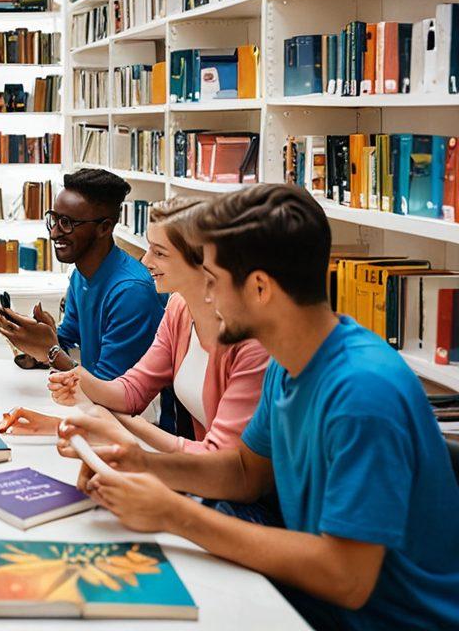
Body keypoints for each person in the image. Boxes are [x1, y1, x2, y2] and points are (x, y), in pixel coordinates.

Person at [57, 184, 459, 630]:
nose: (206, 296)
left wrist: (173, 514)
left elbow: (347, 578)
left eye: (213, 280)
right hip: (314, 602)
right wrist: (140, 464)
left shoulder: (363, 393)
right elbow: (245, 473)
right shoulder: (290, 363)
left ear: (260, 288)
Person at [3, 197, 269, 457]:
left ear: (203, 263)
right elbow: (133, 390)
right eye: (149, 248)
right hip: (198, 468)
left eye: (159, 253)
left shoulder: (250, 343)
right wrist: (76, 390)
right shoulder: (178, 308)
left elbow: (225, 459)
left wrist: (115, 423)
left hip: (221, 478)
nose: (146, 261)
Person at [0, 167, 166, 381]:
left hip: (124, 402)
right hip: (95, 399)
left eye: (67, 223)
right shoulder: (80, 276)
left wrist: (50, 350)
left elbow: (108, 386)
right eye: (54, 219)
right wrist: (34, 341)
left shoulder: (131, 292)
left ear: (104, 228)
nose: (54, 233)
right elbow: (67, 338)